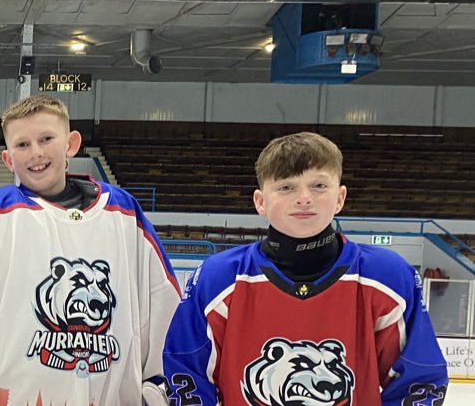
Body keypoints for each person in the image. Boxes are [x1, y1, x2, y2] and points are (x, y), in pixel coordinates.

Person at [0, 94, 180, 406]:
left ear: (71, 144)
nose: (36, 153)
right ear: (8, 159)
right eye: (22, 145)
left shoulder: (124, 213)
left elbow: (163, 306)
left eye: (46, 138)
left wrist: (156, 391)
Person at [162, 132, 447, 405]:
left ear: (340, 197)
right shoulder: (218, 279)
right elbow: (187, 375)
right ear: (260, 202)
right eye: (286, 187)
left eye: (319, 185)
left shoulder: (386, 277)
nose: (304, 198)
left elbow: (419, 380)